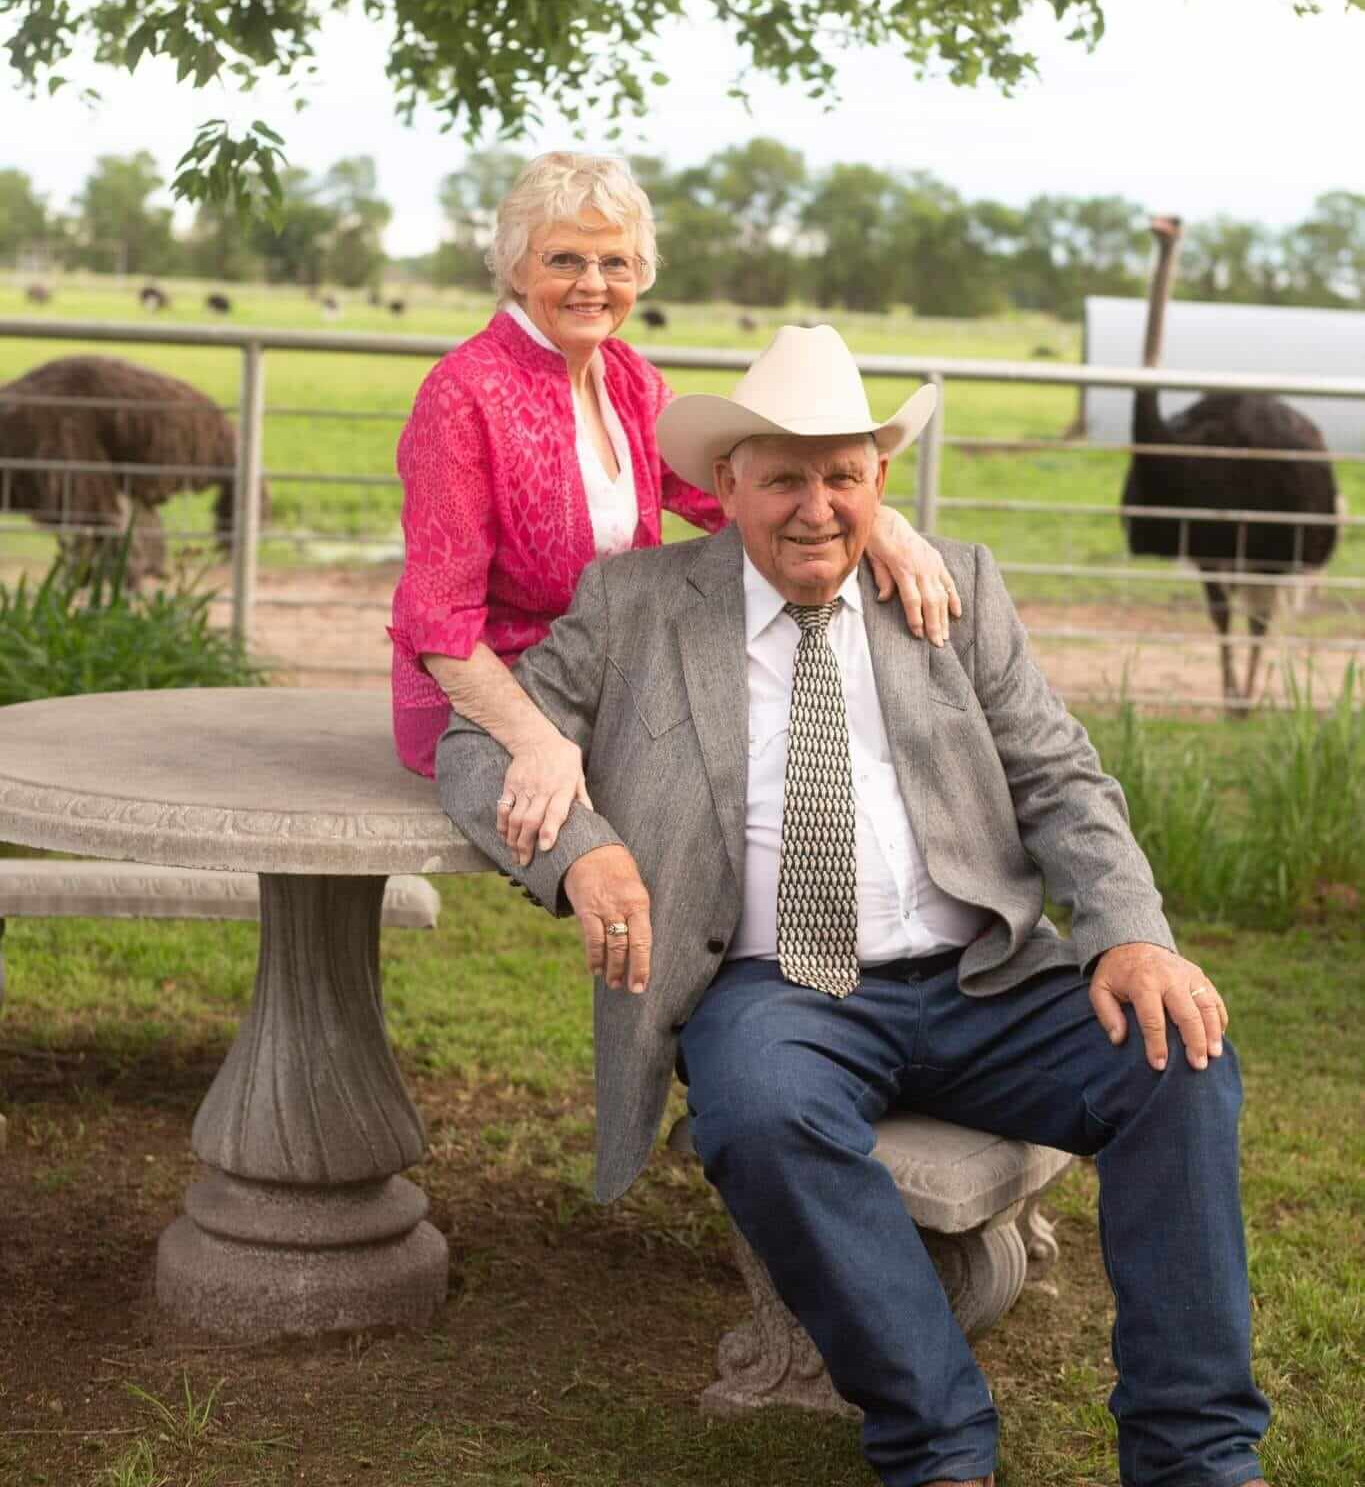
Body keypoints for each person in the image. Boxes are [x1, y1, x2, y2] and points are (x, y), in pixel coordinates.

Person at [437, 323, 1271, 1487]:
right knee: (760, 1115)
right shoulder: (635, 606)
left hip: (985, 978)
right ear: (724, 484)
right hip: (780, 988)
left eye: (843, 473)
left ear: (881, 476)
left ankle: (1196, 1454)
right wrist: (581, 850)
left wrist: (1131, 933)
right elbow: (477, 747)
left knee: (1181, 1056)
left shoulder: (954, 585)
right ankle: (939, 1445)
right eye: (782, 476)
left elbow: (1059, 776)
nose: (815, 505)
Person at [388, 152, 961, 810]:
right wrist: (537, 738)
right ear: (515, 268)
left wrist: (880, 524)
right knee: (716, 785)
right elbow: (438, 619)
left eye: (616, 264)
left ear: (642, 275)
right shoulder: (462, 393)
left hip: (604, 679)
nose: (592, 284)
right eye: (564, 260)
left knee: (771, 762)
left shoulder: (628, 379)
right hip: (490, 701)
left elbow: (735, 501)